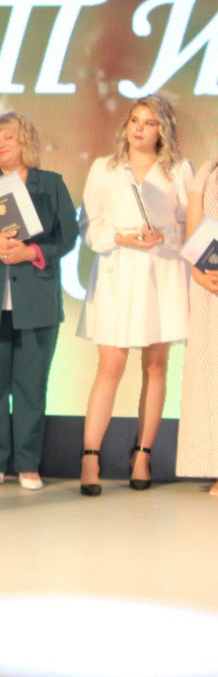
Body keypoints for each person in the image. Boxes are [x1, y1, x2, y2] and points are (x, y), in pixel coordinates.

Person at [0, 112, 79, 491]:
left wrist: (32, 253)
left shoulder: (50, 183)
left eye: (7, 137)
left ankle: (27, 464)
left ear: (25, 141)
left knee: (31, 389)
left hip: (35, 300)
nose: (0, 144)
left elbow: (68, 235)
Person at [77, 96, 193, 495]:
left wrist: (165, 236)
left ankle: (142, 454)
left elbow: (191, 227)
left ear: (163, 130)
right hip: (117, 272)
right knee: (110, 365)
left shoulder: (178, 169)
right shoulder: (104, 168)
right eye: (134, 120)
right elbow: (89, 226)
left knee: (156, 365)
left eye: (149, 122)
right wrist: (120, 237)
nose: (139, 128)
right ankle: (90, 457)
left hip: (162, 272)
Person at [175, 153, 218, 495]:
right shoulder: (209, 169)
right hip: (211, 286)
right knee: (211, 376)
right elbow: (195, 228)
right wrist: (199, 271)